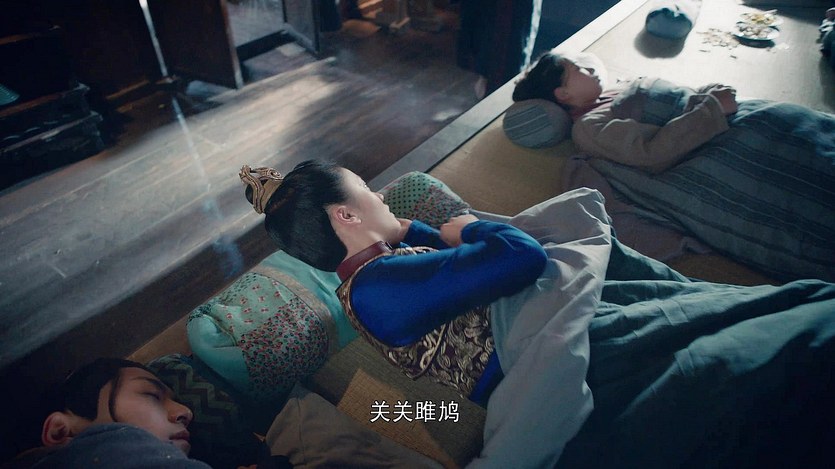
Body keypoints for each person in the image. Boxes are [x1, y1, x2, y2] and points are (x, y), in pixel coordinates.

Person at [240, 161, 835, 468]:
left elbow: (440, 253)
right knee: (777, 347)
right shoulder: (379, 291)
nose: (380, 195)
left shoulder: (380, 274)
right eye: (367, 190)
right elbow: (519, 257)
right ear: (346, 216)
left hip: (547, 324)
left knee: (776, 308)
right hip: (547, 351)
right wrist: (471, 228)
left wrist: (419, 230)